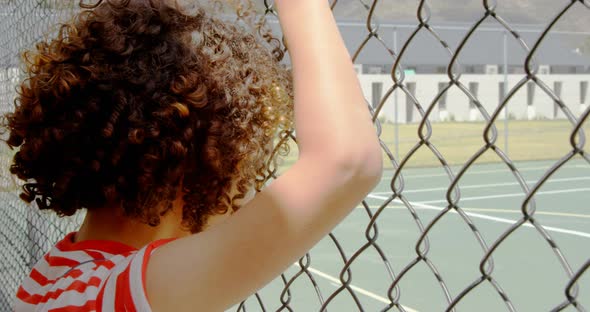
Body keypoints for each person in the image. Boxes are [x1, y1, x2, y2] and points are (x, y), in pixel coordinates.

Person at [6, 0, 382, 310]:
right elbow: (347, 161)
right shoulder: (127, 294)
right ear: (206, 165)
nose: (251, 193)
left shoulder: (56, 276)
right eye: (249, 169)